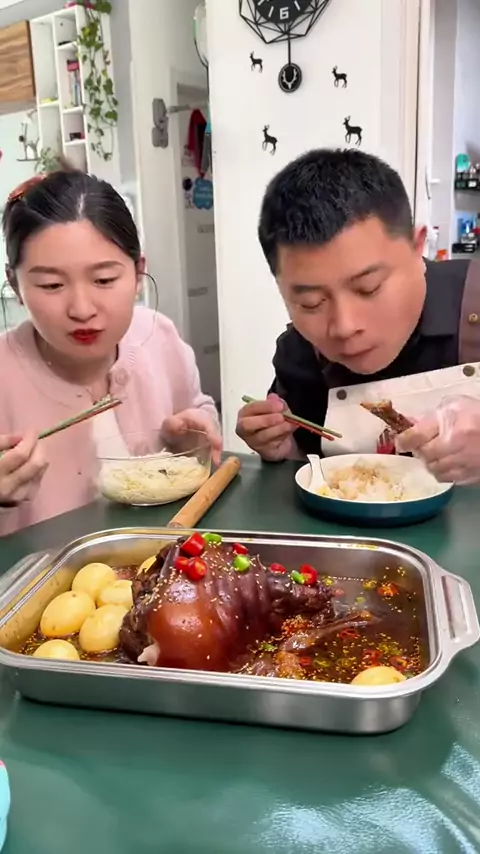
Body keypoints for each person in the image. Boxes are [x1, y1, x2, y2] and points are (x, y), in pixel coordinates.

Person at [236, 148, 480, 484]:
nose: (345, 327)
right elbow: (310, 464)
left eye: (369, 288)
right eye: (311, 303)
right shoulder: (298, 355)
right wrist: (283, 448)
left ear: (417, 247)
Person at [0, 169, 221, 535]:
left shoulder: (159, 338)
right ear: (15, 284)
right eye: (51, 285)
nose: (82, 308)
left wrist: (193, 435)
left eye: (104, 280)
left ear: (138, 273)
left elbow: (200, 410)